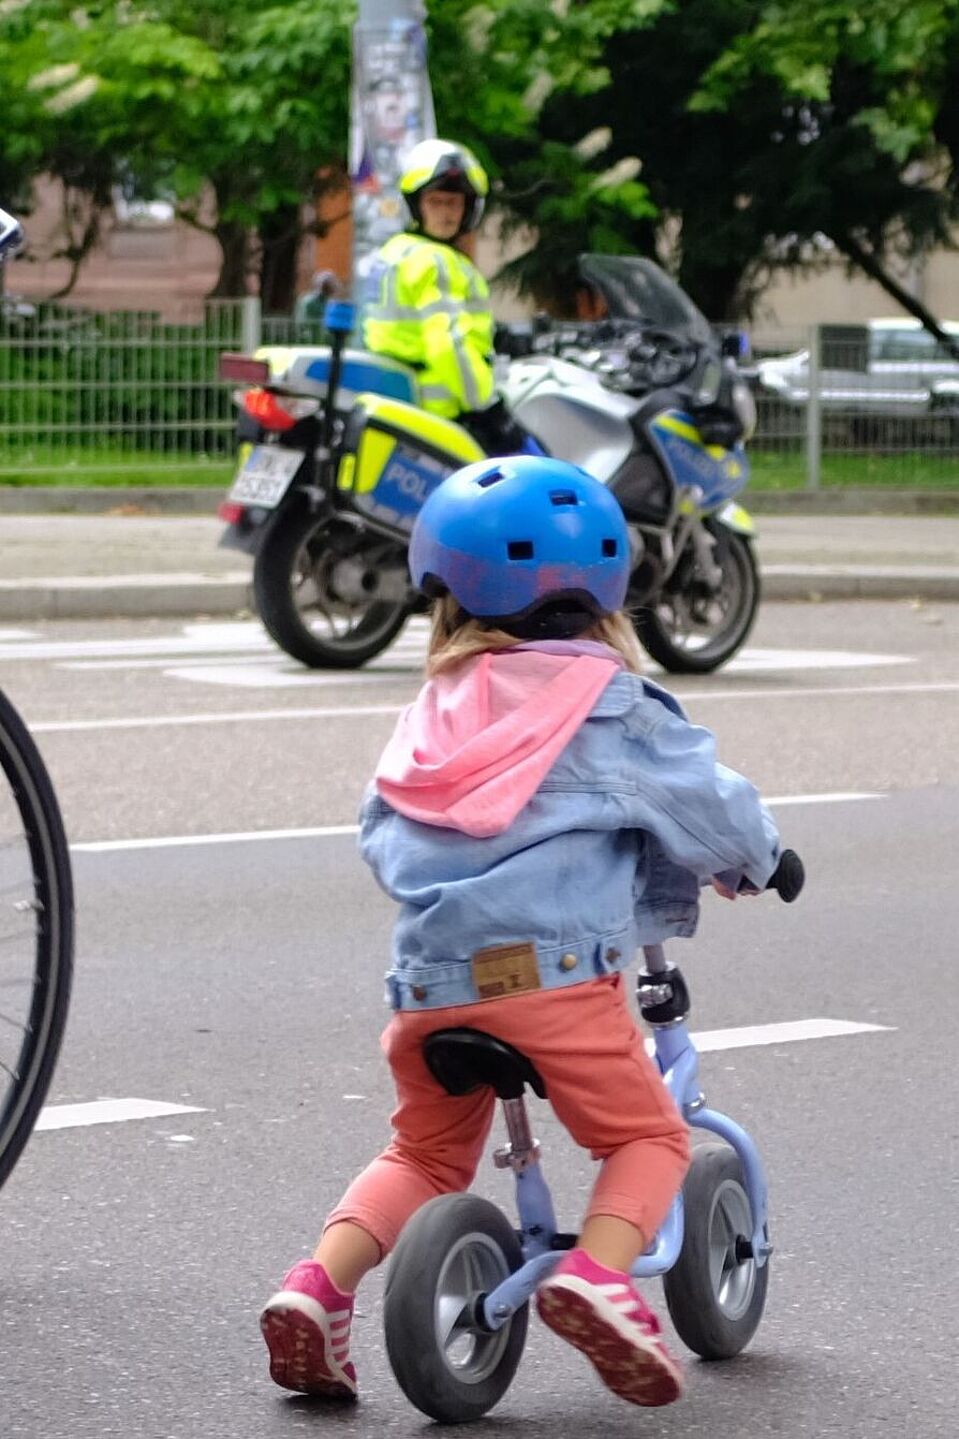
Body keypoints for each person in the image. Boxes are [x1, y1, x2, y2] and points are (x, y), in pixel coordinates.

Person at [259, 455, 780, 1410]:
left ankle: (317, 1285)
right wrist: (766, 860)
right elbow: (714, 810)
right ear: (608, 595)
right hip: (553, 982)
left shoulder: (427, 715)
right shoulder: (614, 707)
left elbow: (381, 836)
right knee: (649, 1138)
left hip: (427, 987)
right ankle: (600, 1274)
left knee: (419, 1156)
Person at [361, 137, 536, 454]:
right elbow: (447, 346)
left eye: (454, 203)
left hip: (402, 408)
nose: (446, 213)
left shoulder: (393, 253)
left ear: (468, 208)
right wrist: (487, 408)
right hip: (445, 415)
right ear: (417, 205)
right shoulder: (435, 262)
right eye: (436, 202)